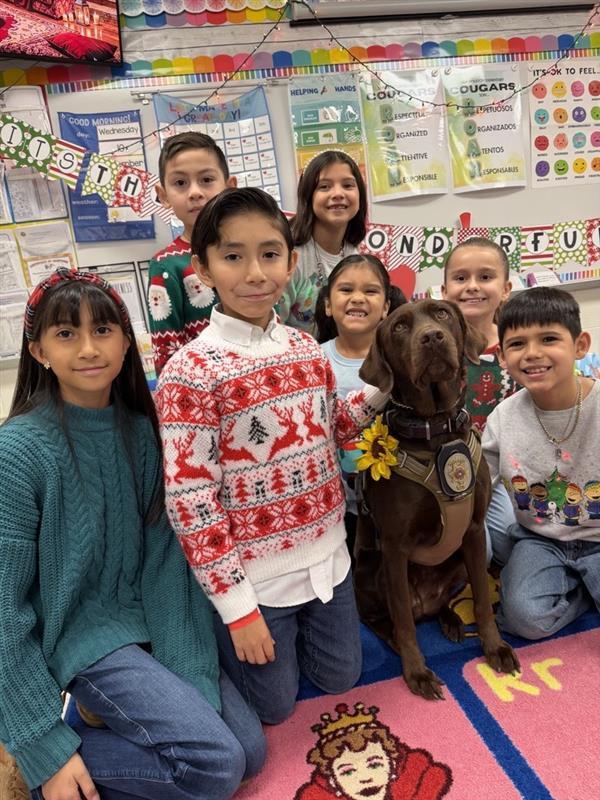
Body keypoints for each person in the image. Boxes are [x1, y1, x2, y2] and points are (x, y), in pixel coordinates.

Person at [0, 269, 265, 800]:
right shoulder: (17, 451)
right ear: (38, 351)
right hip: (81, 639)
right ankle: (26, 761)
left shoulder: (143, 434)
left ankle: (103, 716)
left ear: (126, 340)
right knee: (216, 765)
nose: (89, 348)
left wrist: (186, 671)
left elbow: (166, 563)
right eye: (66, 334)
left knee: (249, 752)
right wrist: (41, 747)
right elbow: (4, 609)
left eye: (102, 330)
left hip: (145, 621)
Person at [156, 187, 390, 726]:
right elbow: (191, 501)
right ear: (205, 268)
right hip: (256, 584)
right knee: (275, 710)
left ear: (289, 261)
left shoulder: (306, 350)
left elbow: (336, 424)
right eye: (233, 256)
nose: (255, 272)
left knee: (341, 679)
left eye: (269, 253)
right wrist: (239, 612)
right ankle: (211, 632)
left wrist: (383, 386)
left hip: (328, 562)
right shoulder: (191, 372)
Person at [482, 286, 599, 640]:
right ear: (502, 356)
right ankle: (581, 594)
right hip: (538, 540)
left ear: (580, 345)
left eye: (548, 339)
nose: (532, 354)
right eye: (517, 344)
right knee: (521, 620)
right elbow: (479, 486)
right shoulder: (502, 418)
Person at [315, 254, 405, 563]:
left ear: (386, 307)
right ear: (328, 304)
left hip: (398, 498)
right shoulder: (313, 360)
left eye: (370, 291)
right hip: (338, 509)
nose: (357, 298)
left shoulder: (402, 361)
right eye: (346, 290)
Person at [442, 236, 519, 563]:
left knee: (509, 547)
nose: (472, 286)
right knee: (480, 554)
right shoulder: (437, 349)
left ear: (505, 288)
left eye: (485, 277)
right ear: (444, 290)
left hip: (497, 477)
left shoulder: (517, 348)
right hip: (447, 478)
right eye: (460, 278)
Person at [147, 131, 236, 376]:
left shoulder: (247, 250)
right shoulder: (166, 266)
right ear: (163, 196)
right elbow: (166, 351)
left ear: (230, 187)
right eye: (180, 183)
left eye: (207, 180)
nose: (195, 192)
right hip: (202, 391)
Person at [278, 150, 367, 333]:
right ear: (308, 197)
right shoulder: (291, 254)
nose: (338, 194)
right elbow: (272, 324)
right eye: (324, 187)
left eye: (348, 185)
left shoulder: (353, 254)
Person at [295, 703, 452, 800]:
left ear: (391, 763)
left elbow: (436, 776)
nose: (365, 778)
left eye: (375, 764)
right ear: (332, 779)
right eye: (348, 772)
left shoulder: (419, 782)